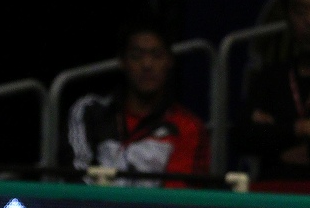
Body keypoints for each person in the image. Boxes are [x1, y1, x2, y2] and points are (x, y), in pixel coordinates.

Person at [66, 20, 209, 186]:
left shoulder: (188, 127)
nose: (147, 64)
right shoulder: (89, 111)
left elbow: (176, 196)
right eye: (136, 56)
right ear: (122, 62)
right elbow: (74, 178)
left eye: (157, 55)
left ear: (169, 61)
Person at [240, 0, 310, 180]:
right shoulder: (272, 76)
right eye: (300, 11)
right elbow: (243, 136)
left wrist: (276, 127)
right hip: (276, 189)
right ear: (288, 16)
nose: (308, 20)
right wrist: (296, 129)